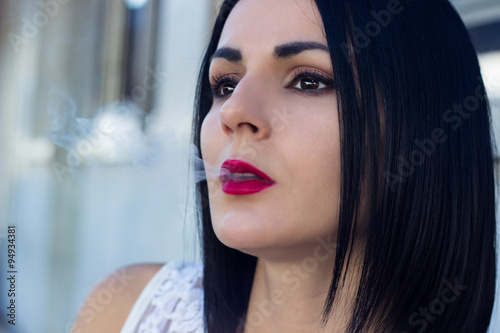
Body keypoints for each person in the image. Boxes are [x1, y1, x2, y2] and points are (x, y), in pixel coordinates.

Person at [71, 0, 497, 332]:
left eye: (308, 81)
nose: (233, 111)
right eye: (225, 84)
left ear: (420, 124)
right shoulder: (126, 312)